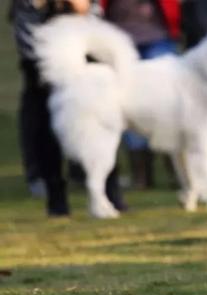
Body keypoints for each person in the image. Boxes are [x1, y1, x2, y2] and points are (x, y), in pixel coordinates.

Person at [9, 0, 127, 216]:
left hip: (85, 66)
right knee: (45, 135)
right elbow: (29, 19)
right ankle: (56, 201)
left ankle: (111, 195)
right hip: (41, 70)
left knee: (102, 127)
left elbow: (89, 13)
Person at [101, 0, 181, 189]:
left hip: (159, 38)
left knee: (168, 106)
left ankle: (176, 171)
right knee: (129, 105)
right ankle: (141, 174)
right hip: (119, 43)